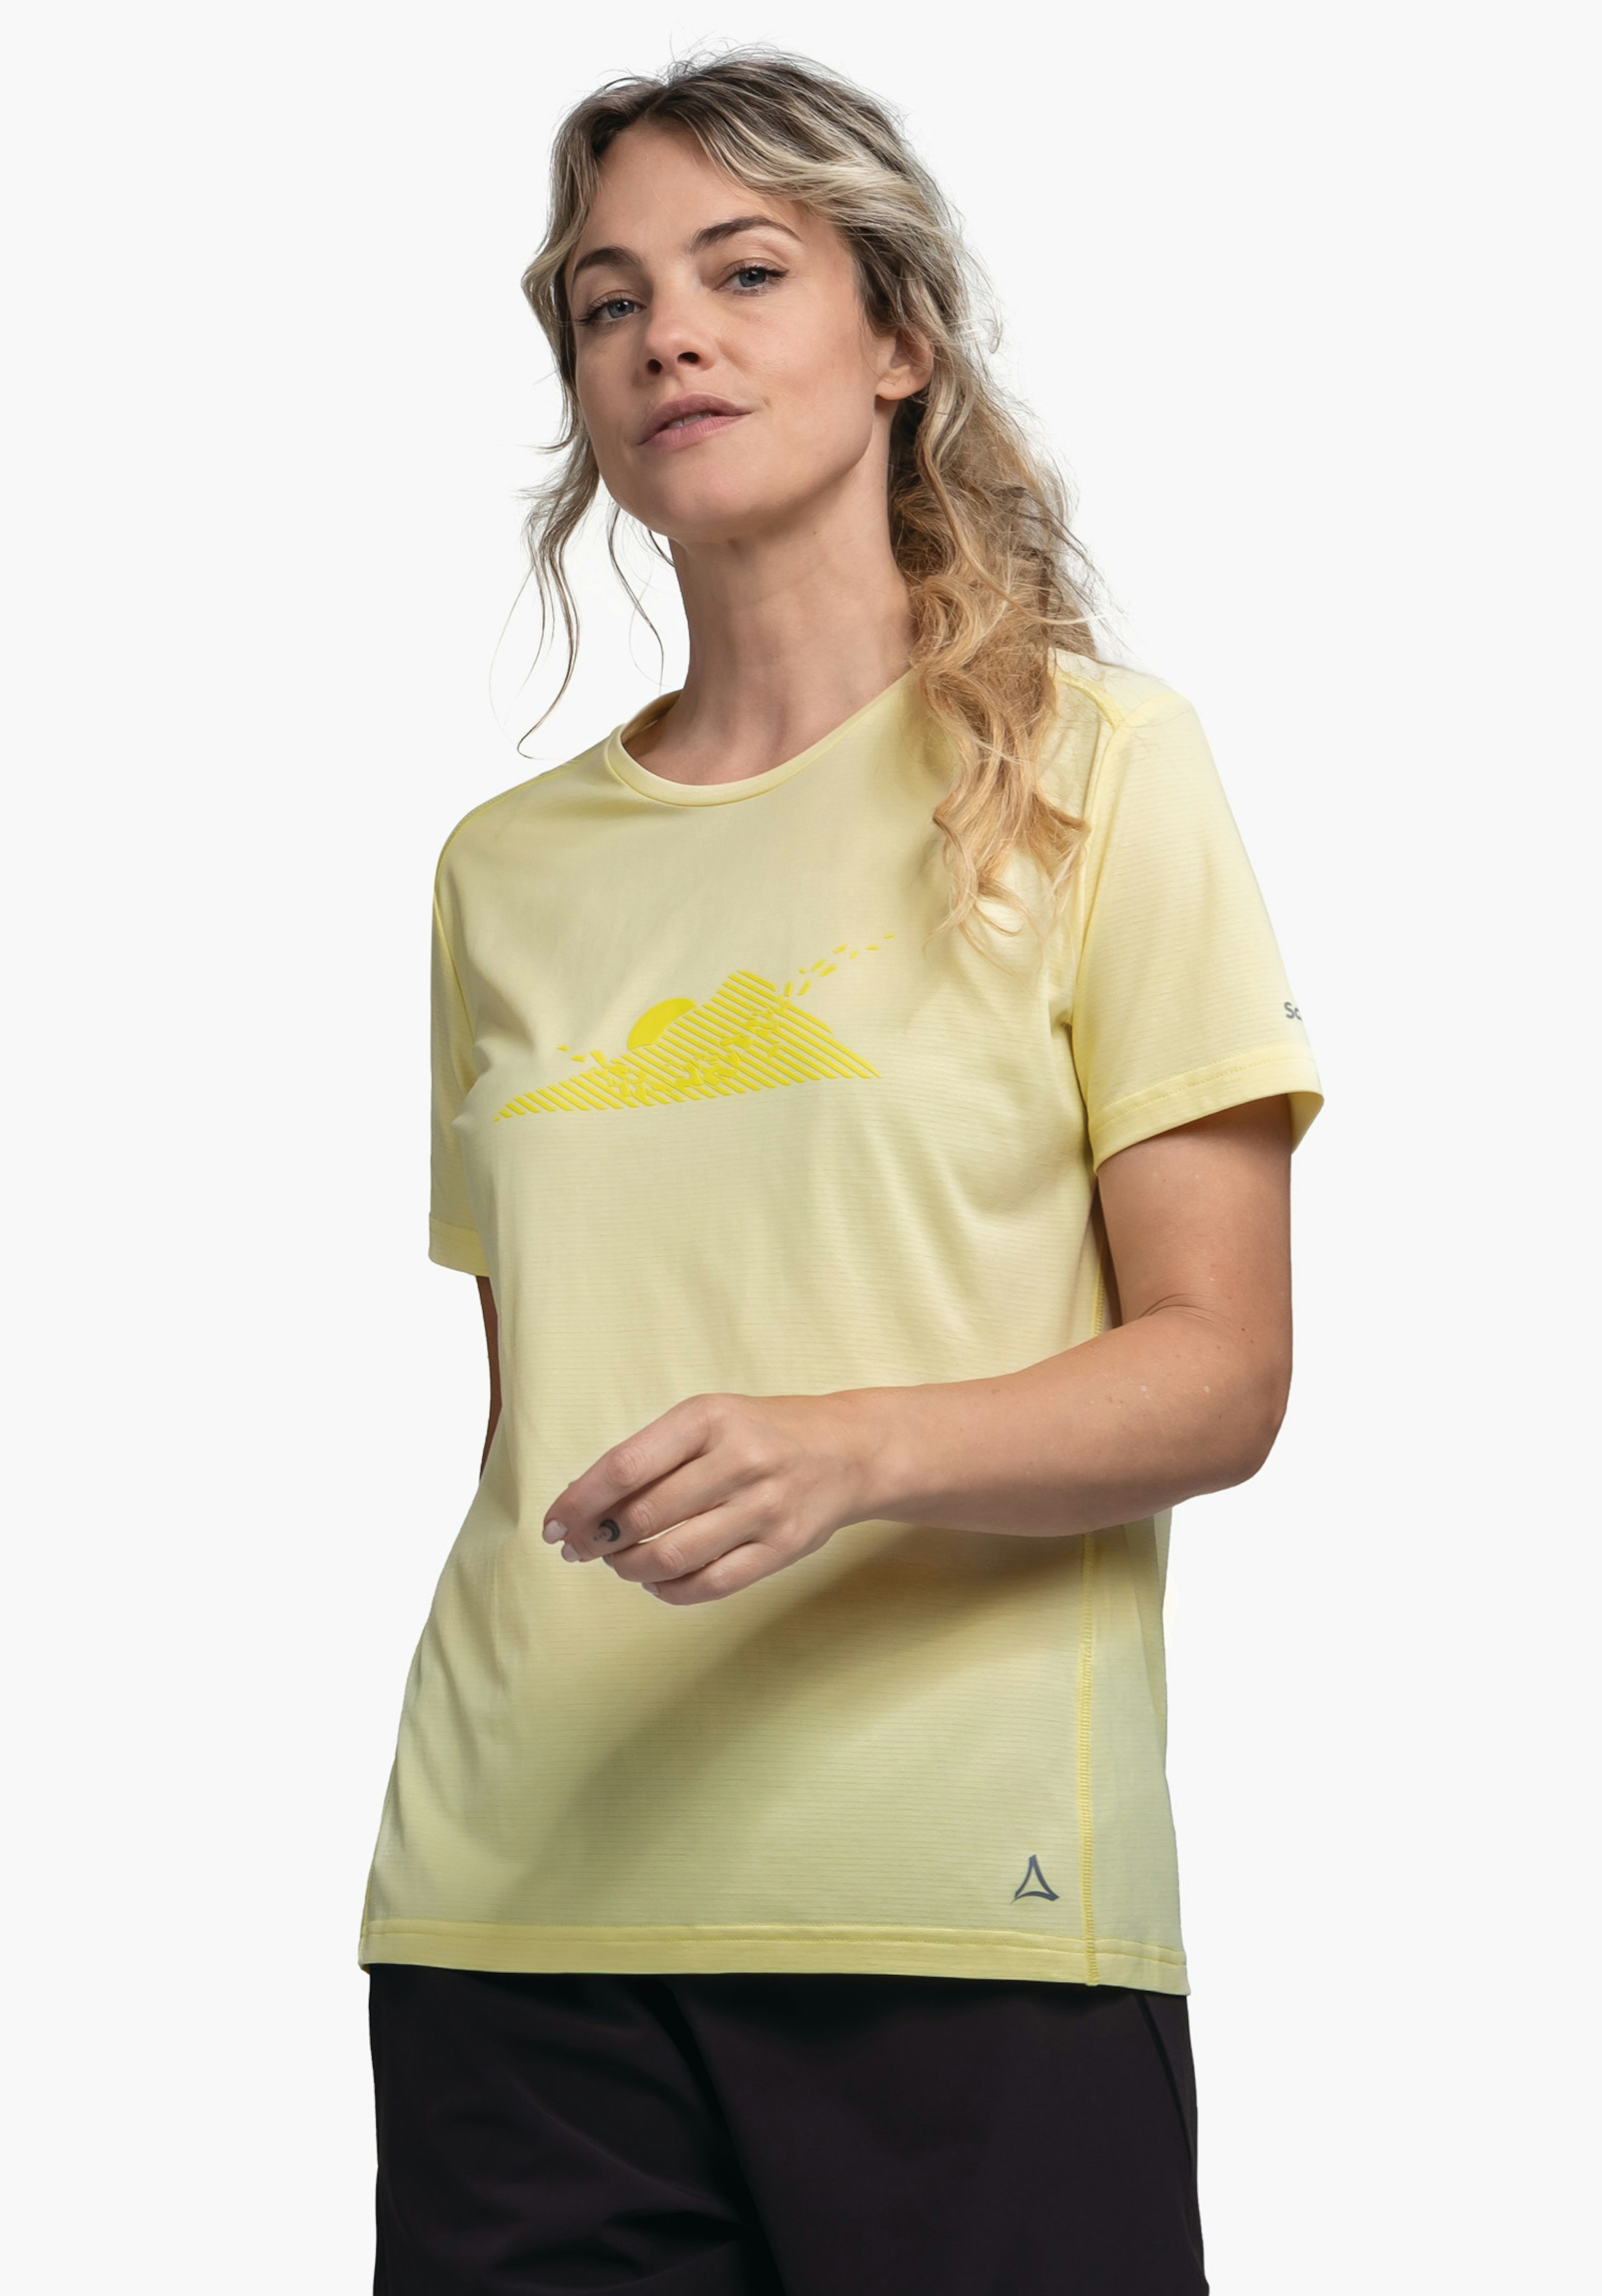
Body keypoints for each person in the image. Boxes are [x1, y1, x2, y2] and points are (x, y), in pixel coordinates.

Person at [358, 47, 1323, 2296]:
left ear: (899, 338)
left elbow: (1225, 1372)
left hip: (955, 1911)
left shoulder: (1092, 769)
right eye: (609, 301)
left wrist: (851, 1451)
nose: (667, 337)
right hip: (514, 1914)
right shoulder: (505, 871)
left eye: (746, 272)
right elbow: (532, 1422)